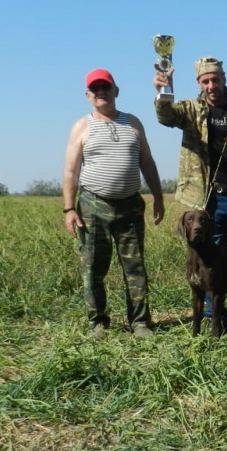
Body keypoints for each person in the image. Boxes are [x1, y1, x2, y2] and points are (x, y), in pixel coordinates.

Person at [153, 56, 227, 335]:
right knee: (209, 261)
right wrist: (162, 91)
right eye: (205, 81)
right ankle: (214, 315)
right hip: (208, 203)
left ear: (224, 78)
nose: (211, 85)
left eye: (215, 79)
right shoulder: (190, 109)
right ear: (199, 83)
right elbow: (165, 116)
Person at [63, 68, 166, 338]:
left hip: (130, 205)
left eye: (105, 87)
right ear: (88, 95)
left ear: (116, 91)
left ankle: (141, 322)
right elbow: (71, 171)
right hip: (93, 205)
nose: (101, 92)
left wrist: (158, 196)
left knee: (135, 267)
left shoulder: (133, 123)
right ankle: (98, 322)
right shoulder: (81, 127)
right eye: (95, 89)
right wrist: (69, 209)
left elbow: (147, 162)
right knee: (94, 267)